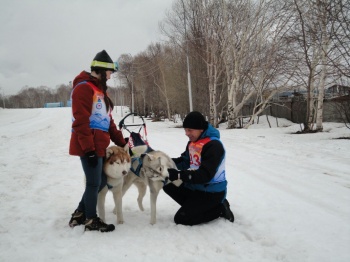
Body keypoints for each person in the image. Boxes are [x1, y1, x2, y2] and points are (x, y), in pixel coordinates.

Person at [68, 50, 127, 232]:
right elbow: (81, 121)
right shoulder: (84, 88)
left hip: (99, 146)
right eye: (109, 73)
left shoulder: (99, 92)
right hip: (89, 146)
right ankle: (90, 219)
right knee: (94, 182)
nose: (110, 77)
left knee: (100, 182)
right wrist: (89, 149)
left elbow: (108, 122)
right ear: (101, 70)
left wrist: (122, 142)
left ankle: (79, 213)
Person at [164, 111, 234, 226]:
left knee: (181, 219)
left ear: (200, 129)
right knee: (167, 184)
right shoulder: (193, 143)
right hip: (196, 188)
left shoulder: (214, 146)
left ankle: (219, 208)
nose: (186, 133)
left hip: (211, 193)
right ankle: (195, 207)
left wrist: (179, 175)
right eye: (185, 130)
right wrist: (163, 162)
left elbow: (205, 175)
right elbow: (184, 161)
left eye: (190, 130)